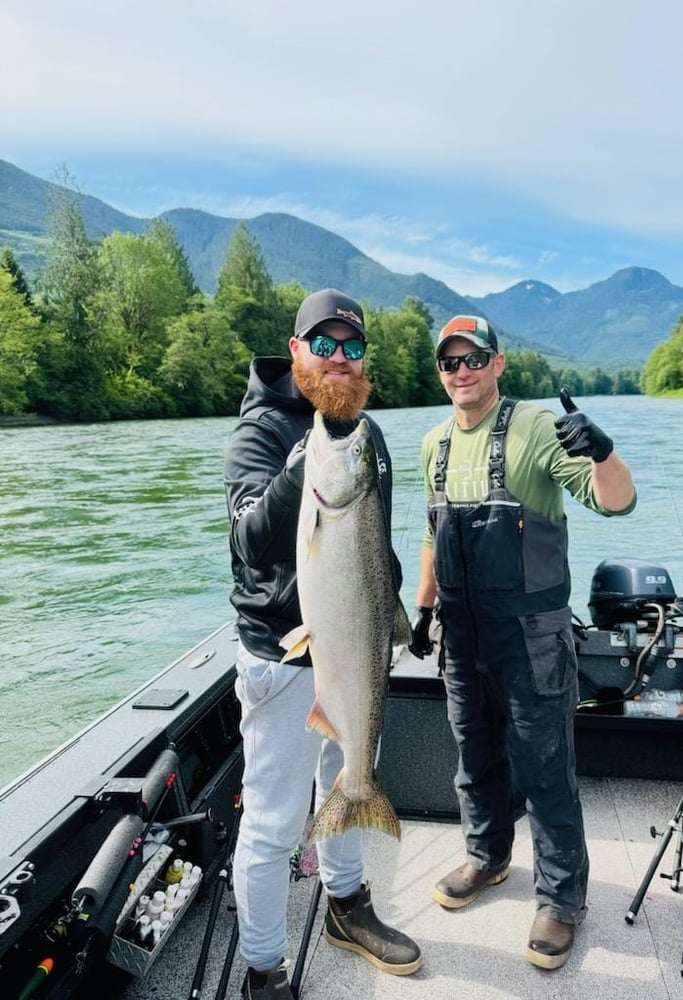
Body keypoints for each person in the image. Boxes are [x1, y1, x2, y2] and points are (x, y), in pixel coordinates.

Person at [409, 315, 636, 971]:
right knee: (474, 756)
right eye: (450, 362)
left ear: (497, 364)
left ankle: (562, 900)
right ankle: (487, 857)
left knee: (543, 771)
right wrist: (422, 613)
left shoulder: (534, 428)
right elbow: (430, 536)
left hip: (532, 635)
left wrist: (603, 451)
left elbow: (614, 501)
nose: (462, 371)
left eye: (473, 358)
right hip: (459, 633)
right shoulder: (434, 445)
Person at [224, 288, 422, 1000]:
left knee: (348, 780)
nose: (340, 359)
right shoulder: (261, 433)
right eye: (326, 344)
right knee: (275, 821)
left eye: (354, 347)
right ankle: (265, 969)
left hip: (358, 648)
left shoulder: (365, 434)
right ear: (297, 348)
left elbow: (377, 552)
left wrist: (403, 618)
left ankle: (346, 904)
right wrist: (299, 466)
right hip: (283, 663)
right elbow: (249, 542)